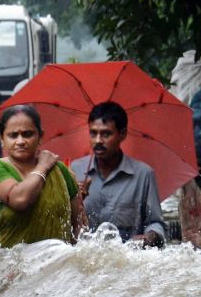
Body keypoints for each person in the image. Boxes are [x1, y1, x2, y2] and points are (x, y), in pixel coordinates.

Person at [0, 105, 83, 248]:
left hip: (59, 264)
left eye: (27, 134)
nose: (21, 141)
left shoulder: (59, 170)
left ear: (40, 136)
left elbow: (79, 223)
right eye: (13, 135)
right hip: (14, 265)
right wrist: (42, 166)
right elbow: (20, 199)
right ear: (2, 139)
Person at [70, 101, 165, 247]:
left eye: (106, 134)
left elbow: (156, 223)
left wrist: (149, 237)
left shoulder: (143, 174)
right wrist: (77, 201)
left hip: (127, 257)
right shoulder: (75, 170)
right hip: (86, 258)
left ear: (123, 134)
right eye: (93, 133)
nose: (98, 141)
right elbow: (63, 223)